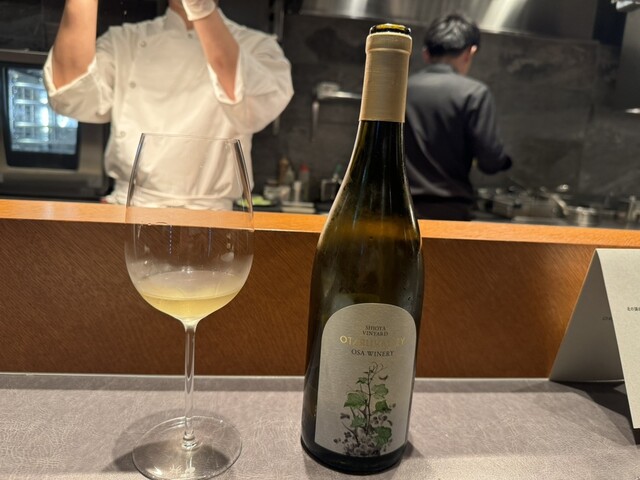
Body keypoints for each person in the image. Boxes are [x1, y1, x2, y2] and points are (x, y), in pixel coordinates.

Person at [44, 0, 294, 204]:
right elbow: (70, 95)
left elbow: (252, 107)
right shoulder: (125, 40)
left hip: (213, 221)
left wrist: (200, 7)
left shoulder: (257, 46)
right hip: (131, 211)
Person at [404, 13, 512, 221]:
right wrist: (504, 161)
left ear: (426, 53)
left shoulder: (400, 88)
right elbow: (490, 161)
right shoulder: (474, 93)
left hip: (398, 208)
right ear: (470, 53)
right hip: (450, 212)